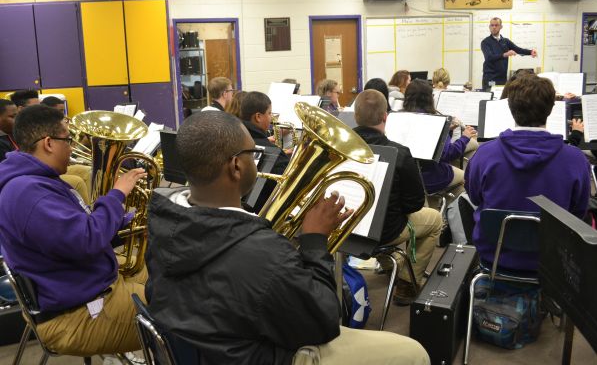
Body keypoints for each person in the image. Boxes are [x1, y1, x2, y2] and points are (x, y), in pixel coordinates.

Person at [145, 110, 429, 365]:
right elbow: (323, 322)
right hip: (262, 354)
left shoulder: (164, 215)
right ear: (236, 166)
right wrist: (316, 241)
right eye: (252, 153)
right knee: (413, 352)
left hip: (213, 344)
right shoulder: (263, 255)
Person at [0, 105, 148, 356]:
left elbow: (73, 231)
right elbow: (86, 239)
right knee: (180, 314)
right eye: (68, 140)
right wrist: (116, 195)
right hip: (76, 313)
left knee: (155, 270)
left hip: (79, 285)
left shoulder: (36, 181)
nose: (72, 148)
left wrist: (125, 220)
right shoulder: (28, 193)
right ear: (48, 143)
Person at [465, 74, 590, 271]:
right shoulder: (576, 159)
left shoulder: (485, 154)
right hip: (553, 262)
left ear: (510, 107)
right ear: (551, 108)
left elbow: (475, 196)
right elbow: (578, 212)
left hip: (495, 258)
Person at [353, 89, 443, 305]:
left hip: (348, 228)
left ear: (355, 116)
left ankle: (389, 265)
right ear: (385, 117)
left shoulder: (341, 147)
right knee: (434, 220)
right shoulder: (399, 152)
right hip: (384, 232)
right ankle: (406, 284)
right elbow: (413, 204)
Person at [403, 79, 477, 196]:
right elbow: (448, 154)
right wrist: (465, 137)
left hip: (407, 177)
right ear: (429, 98)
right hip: (429, 176)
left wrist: (447, 131)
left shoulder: (399, 118)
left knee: (456, 184)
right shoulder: (433, 121)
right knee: (466, 177)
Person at [240, 91, 290, 212]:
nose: (271, 117)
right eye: (269, 113)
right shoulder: (272, 153)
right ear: (258, 117)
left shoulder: (231, 138)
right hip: (259, 215)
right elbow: (286, 191)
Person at [481, 17, 538, 90]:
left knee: (502, 99)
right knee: (490, 98)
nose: (494, 27)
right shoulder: (485, 42)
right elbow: (489, 57)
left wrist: (530, 52)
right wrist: (505, 54)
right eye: (492, 25)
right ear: (489, 27)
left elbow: (518, 50)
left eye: (496, 25)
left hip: (502, 78)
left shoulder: (505, 41)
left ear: (501, 27)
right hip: (490, 78)